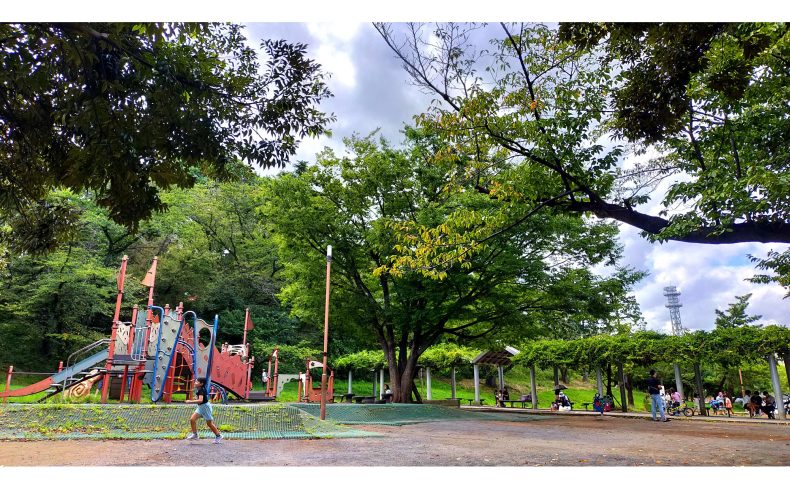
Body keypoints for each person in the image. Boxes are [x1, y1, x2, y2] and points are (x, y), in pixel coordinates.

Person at [185, 377, 223, 443]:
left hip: (205, 408)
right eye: (195, 381)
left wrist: (190, 401)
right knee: (192, 419)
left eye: (197, 382)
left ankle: (218, 436)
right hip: (200, 407)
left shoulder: (201, 390)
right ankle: (195, 435)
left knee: (209, 424)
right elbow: (200, 399)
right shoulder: (199, 389)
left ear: (201, 384)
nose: (195, 383)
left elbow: (200, 400)